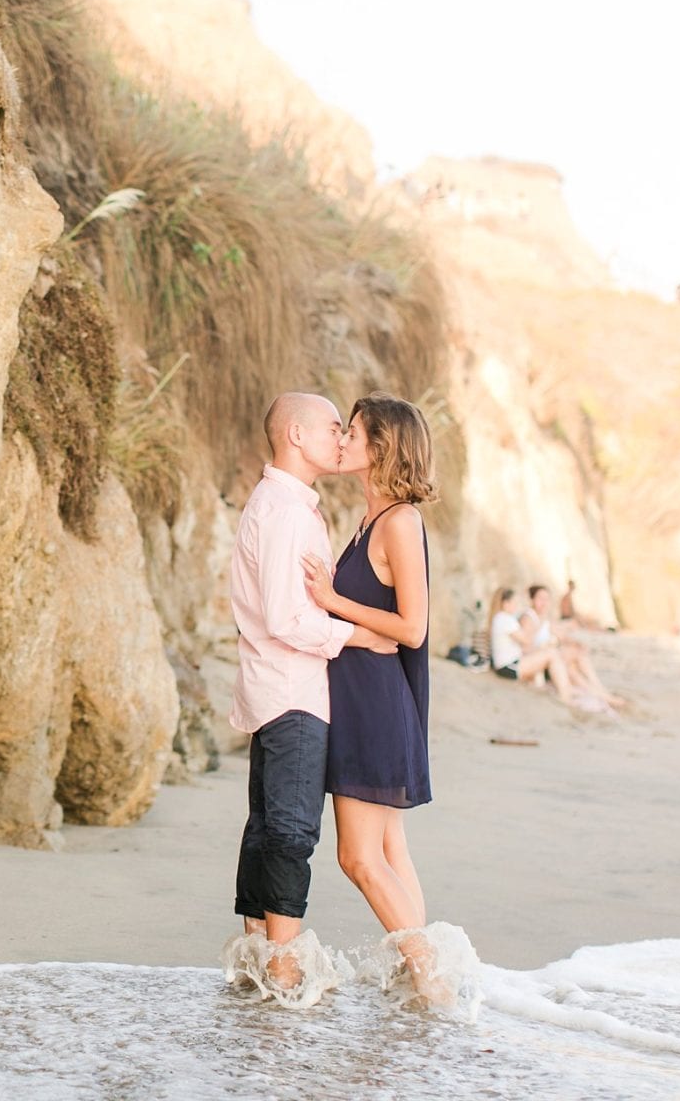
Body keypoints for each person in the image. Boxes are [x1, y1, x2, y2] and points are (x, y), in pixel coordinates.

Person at [228, 392, 394, 995]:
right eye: (331, 428)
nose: (341, 438)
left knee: (268, 824)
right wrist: (361, 636)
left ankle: (256, 954)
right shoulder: (286, 511)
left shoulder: (285, 504)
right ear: (295, 435)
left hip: (275, 687)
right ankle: (282, 961)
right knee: (293, 830)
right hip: (292, 690)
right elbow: (285, 618)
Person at [299, 392, 447, 1003]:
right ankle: (423, 981)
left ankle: (435, 979)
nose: (342, 441)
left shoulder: (401, 522)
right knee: (387, 849)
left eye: (352, 432)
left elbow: (413, 627)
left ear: (382, 446)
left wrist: (334, 603)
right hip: (364, 696)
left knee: (359, 857)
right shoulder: (369, 520)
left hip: (376, 703)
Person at [488, 587, 591, 711]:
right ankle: (565, 696)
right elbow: (526, 640)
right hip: (508, 666)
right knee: (551, 654)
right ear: (505, 604)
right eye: (515, 603)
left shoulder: (504, 618)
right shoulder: (504, 619)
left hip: (512, 662)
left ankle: (567, 689)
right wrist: (539, 623)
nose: (517, 606)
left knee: (552, 654)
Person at [525, 585, 622, 708]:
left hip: (549, 660)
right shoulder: (529, 618)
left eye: (546, 599)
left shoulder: (544, 618)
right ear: (532, 599)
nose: (544, 603)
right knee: (575, 658)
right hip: (540, 662)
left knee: (574, 665)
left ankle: (602, 693)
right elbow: (526, 646)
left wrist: (573, 642)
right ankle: (602, 692)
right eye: (540, 598)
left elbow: (561, 635)